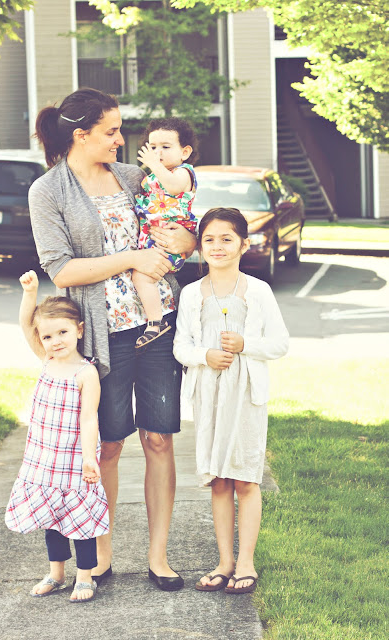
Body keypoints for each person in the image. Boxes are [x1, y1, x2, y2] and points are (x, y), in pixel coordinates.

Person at [28, 88, 197, 591]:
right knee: (107, 445)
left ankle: (158, 556)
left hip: (158, 325)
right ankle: (100, 555)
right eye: (112, 131)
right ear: (81, 135)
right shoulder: (48, 191)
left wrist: (187, 241)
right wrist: (131, 259)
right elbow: (61, 269)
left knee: (159, 438)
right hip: (104, 334)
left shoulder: (132, 177)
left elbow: (177, 218)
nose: (121, 140)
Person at [173, 208, 289, 594]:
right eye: (209, 239)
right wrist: (205, 356)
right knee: (219, 480)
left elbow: (279, 344)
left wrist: (245, 345)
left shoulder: (258, 291)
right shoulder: (192, 294)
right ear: (199, 246)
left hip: (245, 395)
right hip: (209, 395)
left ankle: (246, 563)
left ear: (244, 244)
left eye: (227, 239)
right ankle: (224, 562)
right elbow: (181, 346)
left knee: (245, 477)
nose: (218, 246)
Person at [5, 270, 107, 603]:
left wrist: (90, 458)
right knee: (52, 517)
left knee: (79, 519)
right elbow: (26, 325)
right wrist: (30, 294)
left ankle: (85, 577)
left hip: (75, 459)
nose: (56, 341)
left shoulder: (86, 372)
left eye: (63, 332)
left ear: (79, 330)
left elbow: (89, 417)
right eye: (48, 336)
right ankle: (56, 573)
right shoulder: (46, 360)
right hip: (43, 458)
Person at [133, 117, 198, 348]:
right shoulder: (154, 175)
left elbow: (172, 186)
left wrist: (154, 165)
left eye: (166, 147)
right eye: (153, 147)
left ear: (185, 152)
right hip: (155, 239)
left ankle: (155, 323)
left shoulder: (183, 173)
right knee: (140, 275)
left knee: (141, 276)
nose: (157, 153)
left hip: (171, 242)